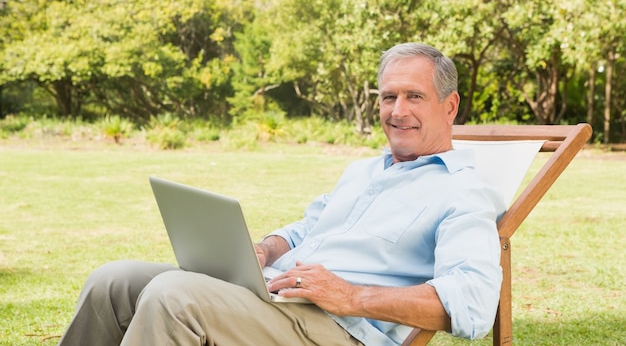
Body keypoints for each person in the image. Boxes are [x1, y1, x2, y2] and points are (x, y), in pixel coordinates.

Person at [57, 42, 504, 346]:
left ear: (449, 106)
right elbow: (308, 228)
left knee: (175, 295)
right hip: (276, 296)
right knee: (111, 281)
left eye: (414, 97)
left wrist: (350, 296)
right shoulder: (366, 170)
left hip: (337, 328)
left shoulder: (462, 191)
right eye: (389, 97)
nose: (397, 111)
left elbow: (474, 303)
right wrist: (267, 249)